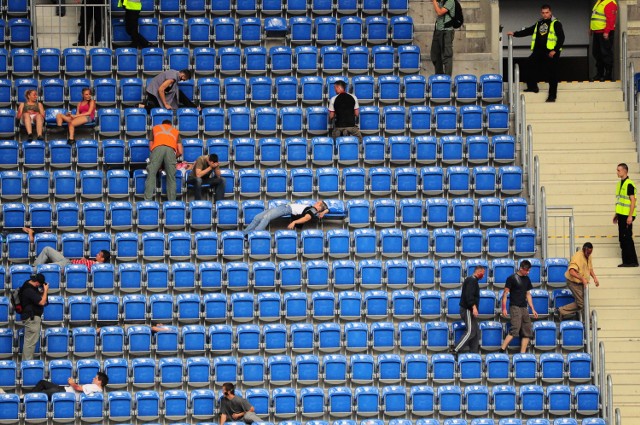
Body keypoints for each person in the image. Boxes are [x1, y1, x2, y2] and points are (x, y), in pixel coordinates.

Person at [508, 4, 565, 102]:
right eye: (543, 13)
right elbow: (529, 30)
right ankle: (532, 87)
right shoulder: (540, 23)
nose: (545, 15)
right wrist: (515, 33)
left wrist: (554, 50)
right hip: (539, 50)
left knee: (552, 74)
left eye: (547, 12)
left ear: (550, 12)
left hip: (551, 52)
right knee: (529, 64)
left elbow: (561, 38)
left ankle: (552, 96)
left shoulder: (556, 23)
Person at [27, 227, 111, 272]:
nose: (97, 254)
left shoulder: (97, 267)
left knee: (46, 267)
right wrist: (84, 260)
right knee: (47, 249)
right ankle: (33, 266)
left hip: (67, 266)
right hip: (67, 260)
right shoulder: (93, 262)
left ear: (102, 259)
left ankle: (29, 271)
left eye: (99, 254)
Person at [499, 260, 538, 353]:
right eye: (526, 270)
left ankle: (522, 353)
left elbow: (528, 294)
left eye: (529, 270)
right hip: (515, 306)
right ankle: (502, 349)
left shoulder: (527, 279)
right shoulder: (511, 278)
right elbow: (505, 294)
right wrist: (504, 308)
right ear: (521, 268)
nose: (528, 272)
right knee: (515, 329)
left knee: (527, 329)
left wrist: (532, 309)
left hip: (524, 307)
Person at [558, 242, 600, 320]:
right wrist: (582, 278)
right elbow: (571, 271)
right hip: (573, 282)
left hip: (582, 283)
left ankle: (587, 321)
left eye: (590, 253)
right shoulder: (577, 256)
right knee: (582, 303)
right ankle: (561, 310)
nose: (589, 254)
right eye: (588, 253)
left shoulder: (589, 256)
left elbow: (590, 268)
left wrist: (594, 278)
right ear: (584, 250)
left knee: (585, 302)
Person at [144, 119, 183, 201]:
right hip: (170, 151)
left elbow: (151, 145)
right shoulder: (175, 131)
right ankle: (172, 202)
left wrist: (156, 157)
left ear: (162, 124)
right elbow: (180, 151)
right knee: (171, 177)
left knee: (151, 174)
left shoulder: (155, 128)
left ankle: (148, 200)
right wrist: (172, 158)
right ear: (170, 125)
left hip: (157, 149)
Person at [452, 265, 485, 356]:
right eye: (483, 273)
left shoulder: (473, 280)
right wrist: (473, 307)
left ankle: (474, 353)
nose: (483, 276)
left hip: (469, 310)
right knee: (470, 331)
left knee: (476, 332)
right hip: (467, 309)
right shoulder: (472, 280)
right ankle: (455, 349)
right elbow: (469, 296)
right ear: (479, 272)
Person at [244, 200, 329, 235]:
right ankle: (245, 234)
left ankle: (255, 235)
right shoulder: (315, 210)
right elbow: (328, 209)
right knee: (257, 217)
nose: (316, 202)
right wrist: (324, 211)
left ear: (318, 206)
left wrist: (294, 222)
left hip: (286, 209)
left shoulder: (313, 210)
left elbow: (307, 218)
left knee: (266, 217)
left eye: (318, 203)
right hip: (284, 207)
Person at [613, 163, 639, 267]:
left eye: (619, 170)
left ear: (625, 171)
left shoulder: (629, 184)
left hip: (627, 215)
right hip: (621, 214)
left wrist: (630, 216)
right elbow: (620, 201)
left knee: (627, 237)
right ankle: (626, 261)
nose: (617, 172)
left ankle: (633, 261)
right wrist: (616, 214)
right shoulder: (620, 184)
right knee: (622, 238)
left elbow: (632, 201)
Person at [20, 273, 49, 361]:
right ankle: (26, 365)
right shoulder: (29, 290)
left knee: (30, 342)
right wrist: (46, 290)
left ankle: (26, 363)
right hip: (32, 318)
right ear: (37, 283)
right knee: (30, 343)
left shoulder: (29, 285)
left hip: (31, 317)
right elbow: (42, 302)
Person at [23, 373, 108, 401]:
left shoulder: (95, 387)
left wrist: (72, 383)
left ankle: (26, 398)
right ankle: (27, 396)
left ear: (100, 381)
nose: (93, 378)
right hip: (63, 389)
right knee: (42, 383)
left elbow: (78, 388)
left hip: (64, 393)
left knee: (43, 394)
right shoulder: (96, 389)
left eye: (96, 378)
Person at [590, 0, 618, 81]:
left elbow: (611, 19)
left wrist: (606, 32)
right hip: (597, 31)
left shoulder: (610, 3)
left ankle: (608, 74)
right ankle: (600, 73)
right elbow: (594, 16)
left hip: (604, 32)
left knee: (606, 53)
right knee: (596, 53)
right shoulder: (599, 2)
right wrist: (591, 28)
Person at [431, 0, 456, 75]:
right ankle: (439, 76)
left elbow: (440, 12)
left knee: (447, 56)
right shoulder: (442, 1)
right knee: (435, 55)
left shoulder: (450, 1)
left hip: (447, 32)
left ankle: (447, 78)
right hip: (438, 30)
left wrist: (434, 1)